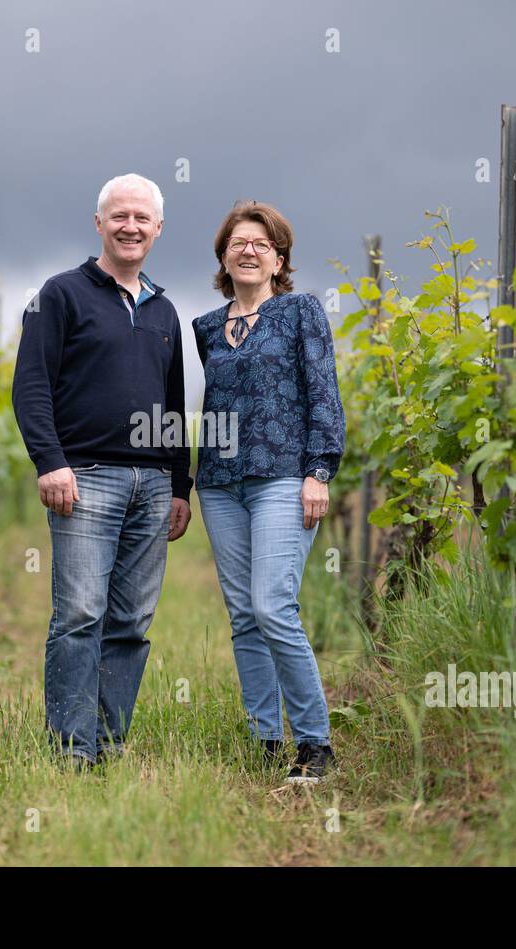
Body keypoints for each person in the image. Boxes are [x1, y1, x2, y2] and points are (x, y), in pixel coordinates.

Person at [11, 173, 192, 769]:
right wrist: (50, 462)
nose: (131, 227)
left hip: (153, 486)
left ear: (158, 228)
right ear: (99, 223)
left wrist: (181, 486)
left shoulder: (165, 309)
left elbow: (172, 405)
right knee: (81, 613)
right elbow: (31, 385)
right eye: (120, 216)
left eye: (143, 218)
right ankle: (70, 750)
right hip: (84, 477)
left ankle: (109, 744)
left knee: (132, 621)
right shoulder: (60, 294)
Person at [192, 200, 345, 783]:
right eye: (237, 243)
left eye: (261, 243)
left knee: (272, 606)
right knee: (243, 616)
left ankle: (315, 744)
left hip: (284, 477)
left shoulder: (301, 312)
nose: (248, 250)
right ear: (223, 258)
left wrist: (319, 471)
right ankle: (265, 740)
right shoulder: (208, 328)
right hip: (220, 484)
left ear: (279, 258)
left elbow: (323, 393)